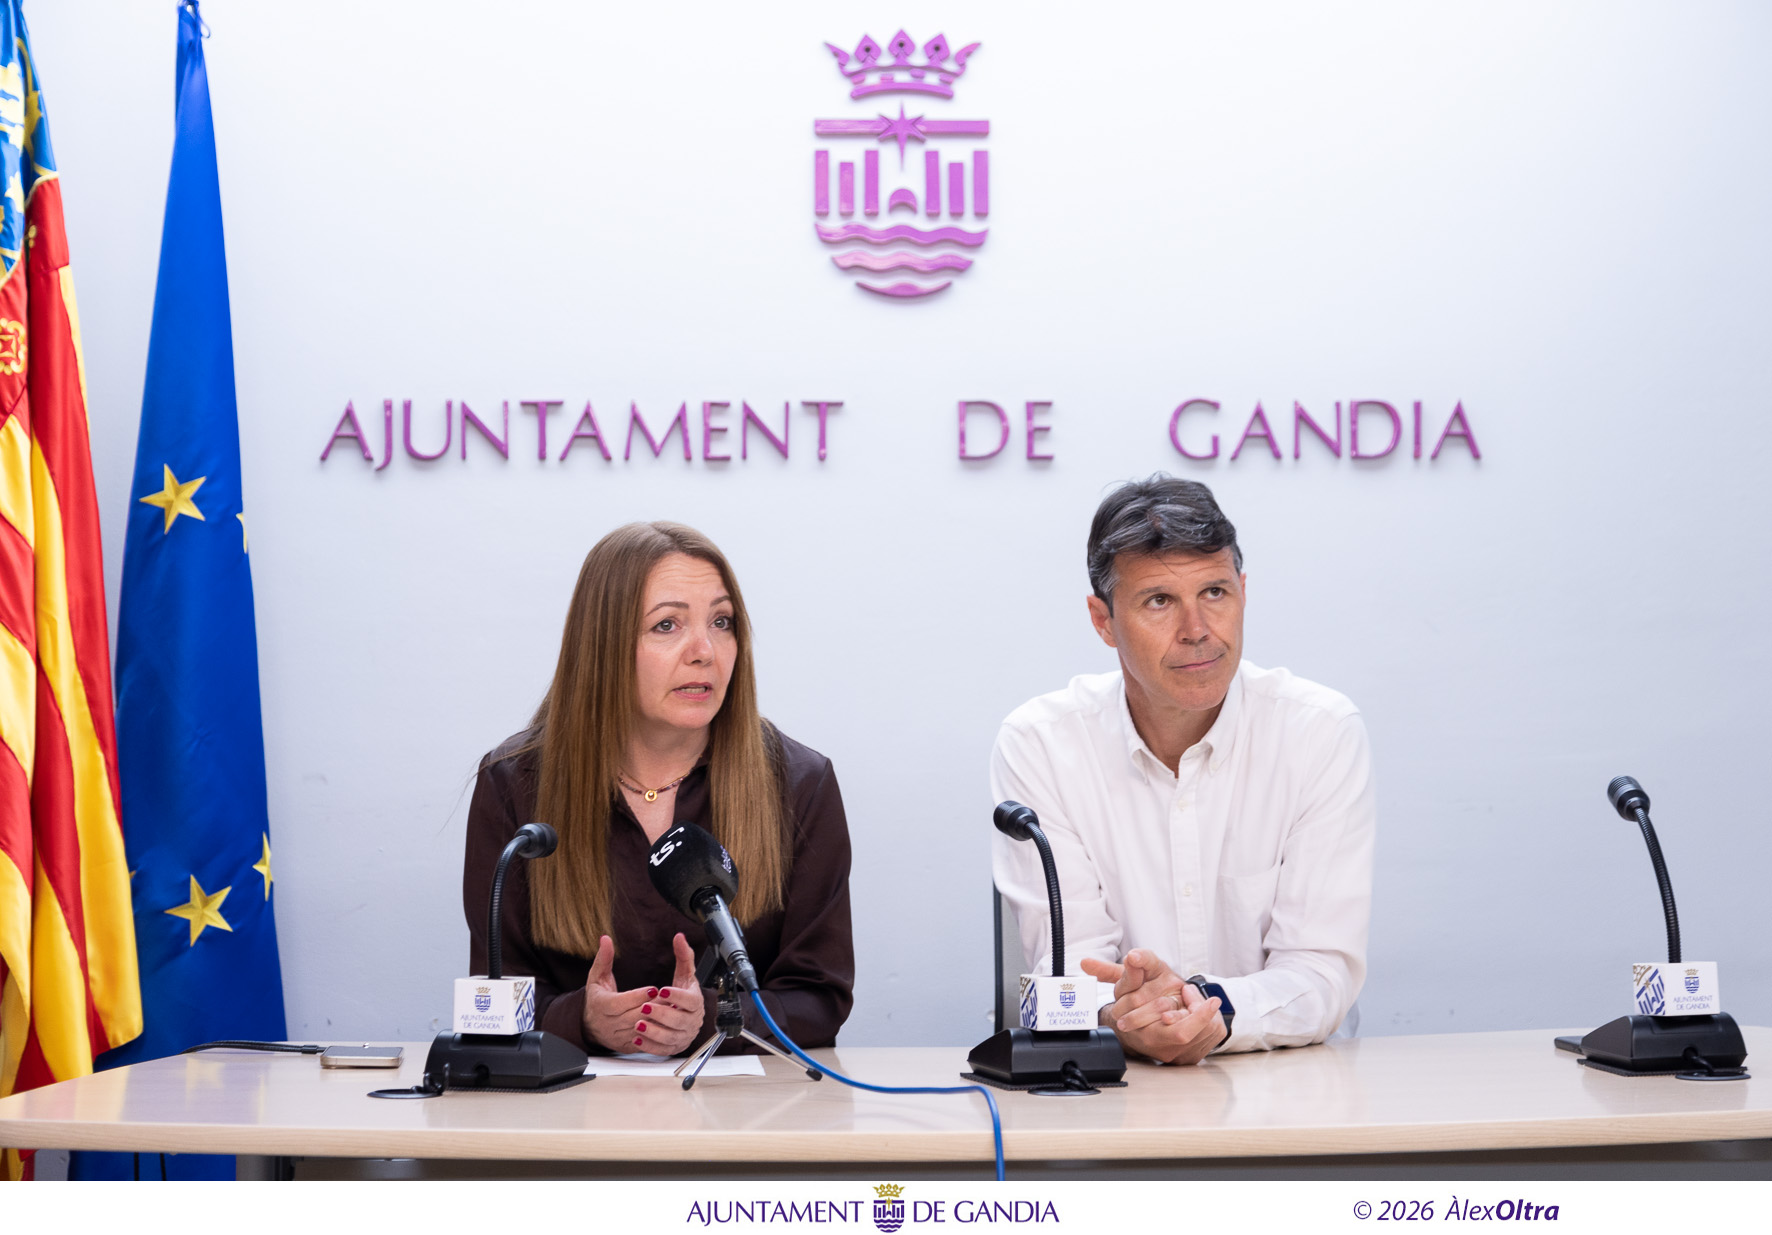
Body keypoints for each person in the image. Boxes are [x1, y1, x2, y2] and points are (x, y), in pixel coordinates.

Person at [990, 476, 1375, 1065]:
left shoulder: (1318, 731)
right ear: (1102, 620)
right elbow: (1070, 967)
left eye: (1215, 592)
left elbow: (1321, 973)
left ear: (1243, 592)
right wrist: (1129, 1018)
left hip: (1287, 1082)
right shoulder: (1042, 743)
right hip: (1114, 1085)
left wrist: (1207, 1011)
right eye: (1159, 601)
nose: (1197, 630)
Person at [464, 522, 853, 1056]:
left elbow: (819, 997)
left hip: (742, 1102)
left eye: (722, 622)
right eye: (667, 625)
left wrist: (712, 1020)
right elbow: (495, 996)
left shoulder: (801, 783)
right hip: (569, 1102)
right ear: (602, 646)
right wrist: (582, 1020)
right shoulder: (514, 782)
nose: (705, 651)